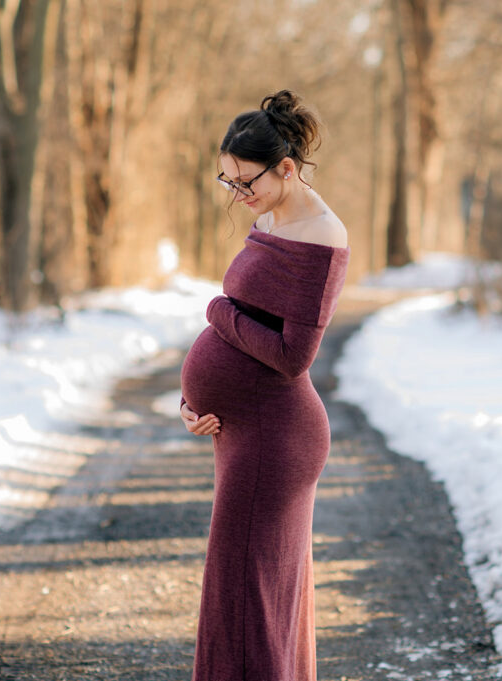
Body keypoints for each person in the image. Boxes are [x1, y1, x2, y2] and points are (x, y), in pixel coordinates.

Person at [178, 90, 349, 681]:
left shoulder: (323, 237)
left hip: (277, 439)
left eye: (244, 180)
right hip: (244, 431)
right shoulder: (273, 216)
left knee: (247, 601)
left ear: (287, 168)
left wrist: (216, 312)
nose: (238, 193)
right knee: (251, 598)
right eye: (228, 182)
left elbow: (292, 354)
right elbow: (255, 320)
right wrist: (193, 402)